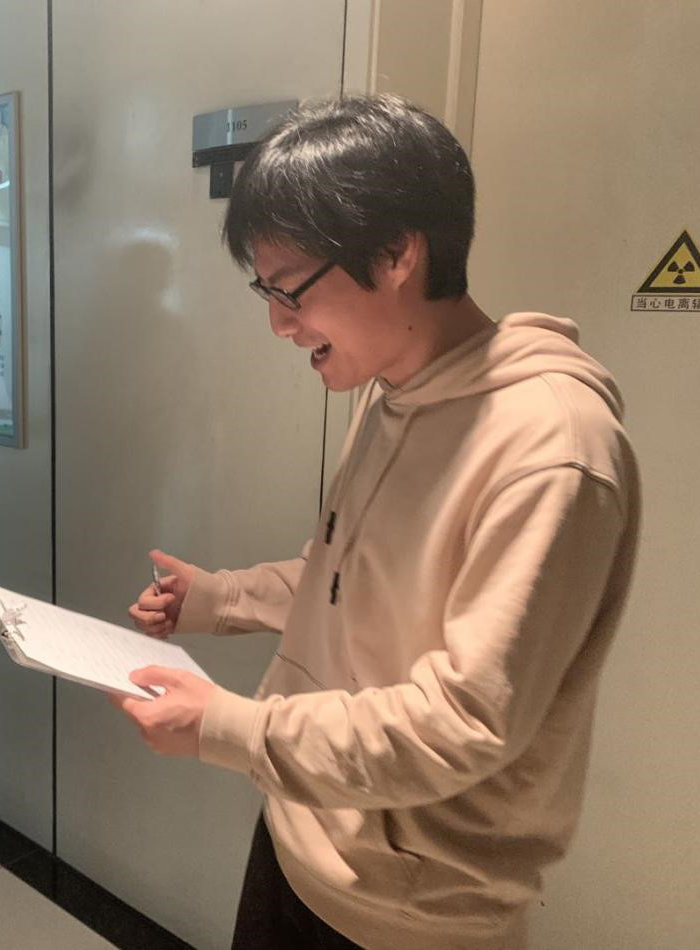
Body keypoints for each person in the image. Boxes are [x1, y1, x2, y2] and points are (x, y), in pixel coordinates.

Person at [118, 96, 640, 949]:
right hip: (302, 835)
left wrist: (225, 727)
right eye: (264, 289)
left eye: (289, 289)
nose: (278, 323)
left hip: (406, 914)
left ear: (397, 252)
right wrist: (220, 599)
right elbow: (349, 577)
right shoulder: (393, 392)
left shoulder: (553, 448)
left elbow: (463, 721)